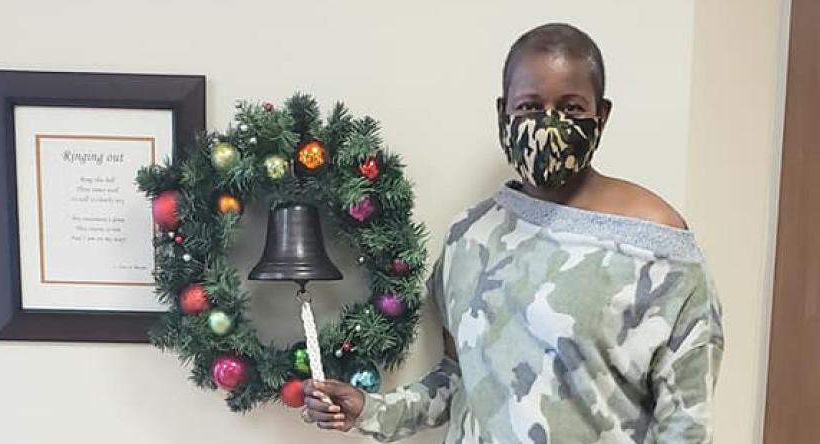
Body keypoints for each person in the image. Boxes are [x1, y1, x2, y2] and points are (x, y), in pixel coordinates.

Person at [302, 23, 724, 444]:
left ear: (602, 115)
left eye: (572, 107)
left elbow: (686, 427)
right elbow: (461, 380)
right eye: (530, 106)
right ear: (504, 113)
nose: (548, 123)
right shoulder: (470, 237)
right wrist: (372, 410)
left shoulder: (658, 247)